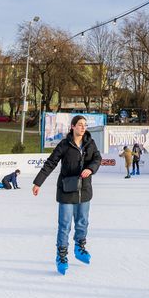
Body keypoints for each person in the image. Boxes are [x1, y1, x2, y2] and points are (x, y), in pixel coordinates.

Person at [32, 115, 102, 275]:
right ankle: (61, 257)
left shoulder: (90, 143)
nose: (83, 128)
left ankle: (80, 247)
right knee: (64, 226)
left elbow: (97, 159)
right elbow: (50, 163)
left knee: (82, 222)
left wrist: (90, 168)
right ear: (72, 127)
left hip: (84, 190)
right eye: (80, 125)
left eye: (85, 125)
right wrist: (38, 182)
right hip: (66, 190)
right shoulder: (64, 145)